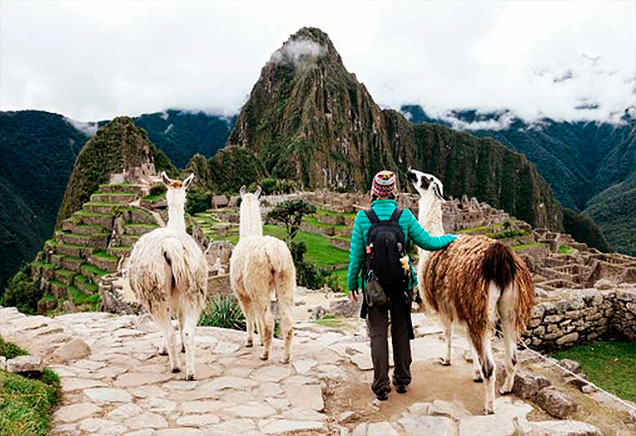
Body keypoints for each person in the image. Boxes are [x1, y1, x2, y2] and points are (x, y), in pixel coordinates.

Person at [347, 170, 456, 401]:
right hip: (401, 284)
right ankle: (403, 380)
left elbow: (356, 256)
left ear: (374, 191)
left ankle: (381, 386)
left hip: (373, 286)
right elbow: (429, 242)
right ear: (394, 191)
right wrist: (452, 239)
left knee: (378, 334)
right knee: (401, 330)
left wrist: (352, 283)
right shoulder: (404, 216)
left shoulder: (363, 218)